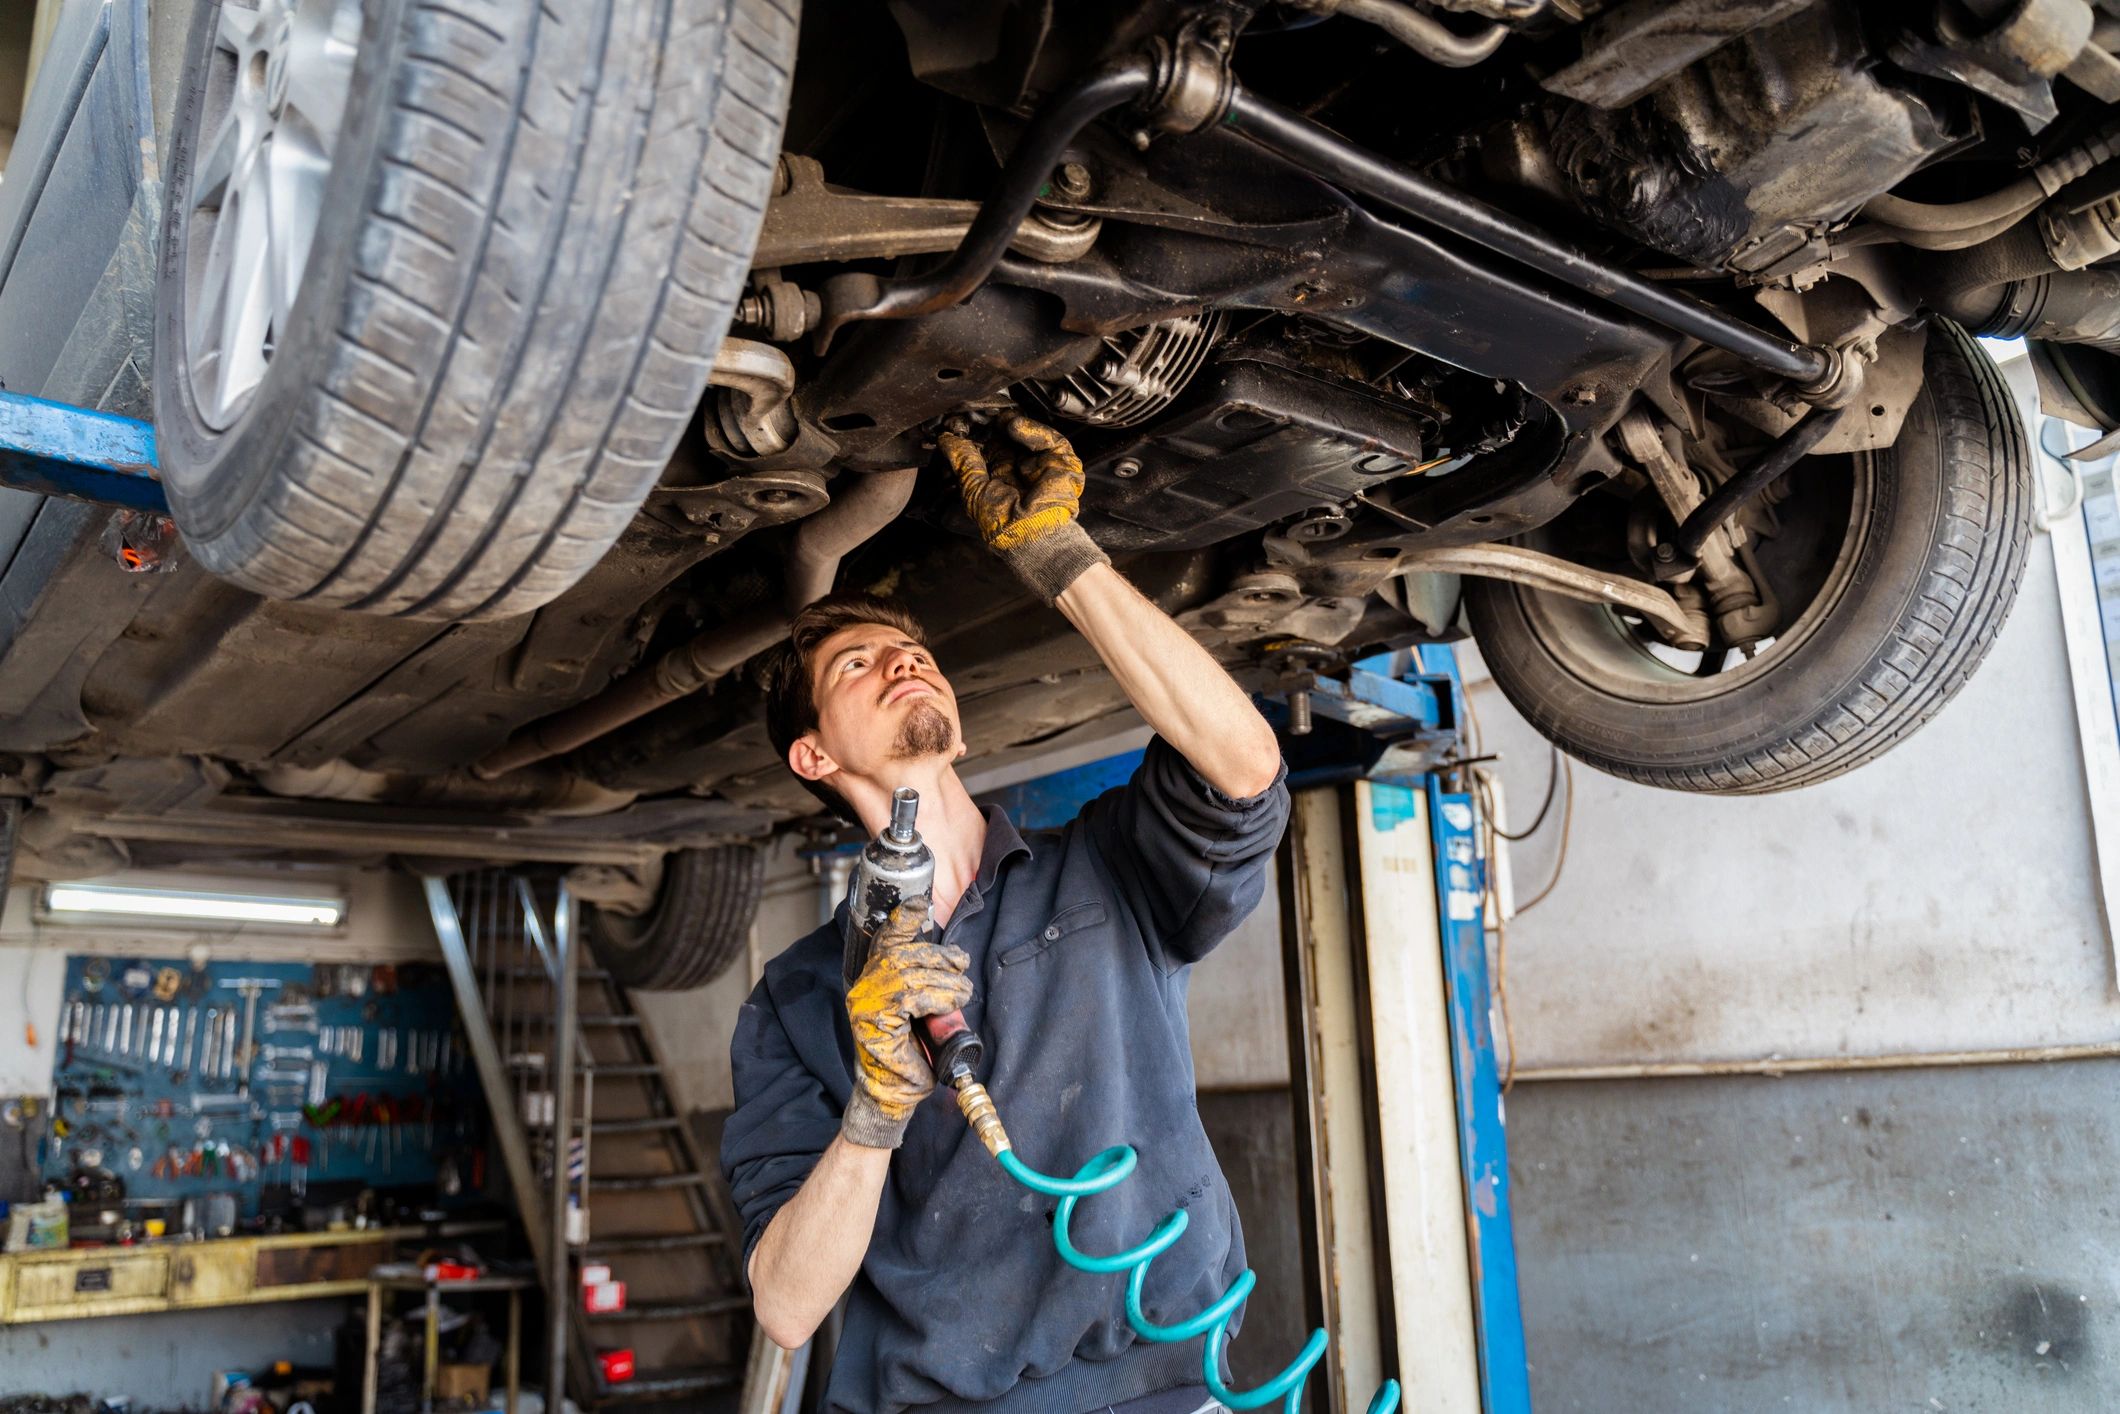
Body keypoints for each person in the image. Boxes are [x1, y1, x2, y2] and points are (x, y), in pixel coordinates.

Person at [720, 413, 1288, 1414]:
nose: (904, 661)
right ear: (813, 757)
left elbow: (1242, 769)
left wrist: (1061, 558)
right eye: (856, 664)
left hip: (1173, 1384)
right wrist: (874, 1110)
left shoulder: (1101, 869)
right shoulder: (800, 997)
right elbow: (786, 1303)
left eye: (911, 649)